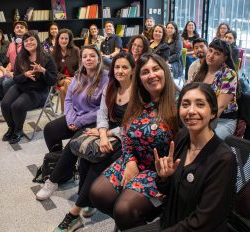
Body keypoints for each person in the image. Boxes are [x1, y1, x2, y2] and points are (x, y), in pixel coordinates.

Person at [89, 53, 178, 231]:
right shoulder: (138, 100)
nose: (151, 75)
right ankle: (133, 226)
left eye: (155, 69)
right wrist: (129, 160)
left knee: (124, 209)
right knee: (97, 194)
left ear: (165, 71)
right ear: (139, 78)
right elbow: (126, 134)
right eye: (145, 72)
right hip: (132, 160)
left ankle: (131, 222)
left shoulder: (178, 103)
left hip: (159, 171)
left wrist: (166, 178)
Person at [52, 52, 135, 232]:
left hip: (128, 138)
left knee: (100, 160)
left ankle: (74, 213)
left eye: (125, 67)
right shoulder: (111, 87)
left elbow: (133, 125)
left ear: (132, 71)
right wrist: (102, 134)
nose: (120, 71)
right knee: (86, 157)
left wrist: (107, 134)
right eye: (117, 67)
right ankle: (87, 200)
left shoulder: (137, 92)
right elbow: (102, 114)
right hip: (107, 131)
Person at [155, 82, 236, 231]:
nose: (191, 111)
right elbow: (167, 191)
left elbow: (204, 222)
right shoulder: (182, 137)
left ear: (212, 112)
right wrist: (164, 177)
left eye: (200, 104)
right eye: (185, 104)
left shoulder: (224, 159)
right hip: (169, 222)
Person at [35, 45, 109, 202]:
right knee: (50, 129)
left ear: (99, 58)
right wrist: (70, 119)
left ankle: (52, 181)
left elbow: (102, 110)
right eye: (85, 56)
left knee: (73, 144)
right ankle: (65, 170)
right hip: (74, 118)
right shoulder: (78, 75)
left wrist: (80, 121)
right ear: (81, 59)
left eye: (92, 56)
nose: (88, 59)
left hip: (93, 122)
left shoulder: (106, 79)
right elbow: (68, 99)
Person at [1, 31, 57, 144]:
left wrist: (43, 70)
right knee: (5, 104)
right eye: (26, 41)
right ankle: (11, 128)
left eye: (31, 39)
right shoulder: (21, 57)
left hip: (38, 91)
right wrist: (24, 75)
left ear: (37, 40)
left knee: (17, 106)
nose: (29, 42)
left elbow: (53, 81)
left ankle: (18, 131)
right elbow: (16, 78)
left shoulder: (47, 57)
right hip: (21, 86)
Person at [193, 39, 238, 140]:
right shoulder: (199, 72)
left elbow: (220, 106)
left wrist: (202, 126)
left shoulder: (229, 74)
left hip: (222, 120)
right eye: (210, 50)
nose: (211, 55)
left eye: (217, 53)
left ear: (224, 58)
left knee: (205, 140)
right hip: (200, 116)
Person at [0, 21, 28, 102]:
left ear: (26, 30)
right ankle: (7, 100)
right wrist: (7, 70)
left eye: (22, 27)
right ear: (14, 30)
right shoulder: (11, 45)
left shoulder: (28, 44)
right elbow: (10, 61)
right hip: (12, 71)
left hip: (23, 73)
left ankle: (9, 102)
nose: (19, 29)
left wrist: (15, 73)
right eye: (17, 27)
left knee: (6, 83)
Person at [51, 28, 80, 112]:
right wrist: (65, 77)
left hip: (75, 79)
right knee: (67, 82)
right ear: (58, 39)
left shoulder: (76, 50)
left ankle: (66, 114)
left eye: (66, 38)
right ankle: (75, 110)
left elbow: (80, 67)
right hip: (60, 79)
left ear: (69, 39)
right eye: (62, 38)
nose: (64, 41)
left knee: (63, 89)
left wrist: (75, 77)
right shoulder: (53, 52)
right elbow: (54, 71)